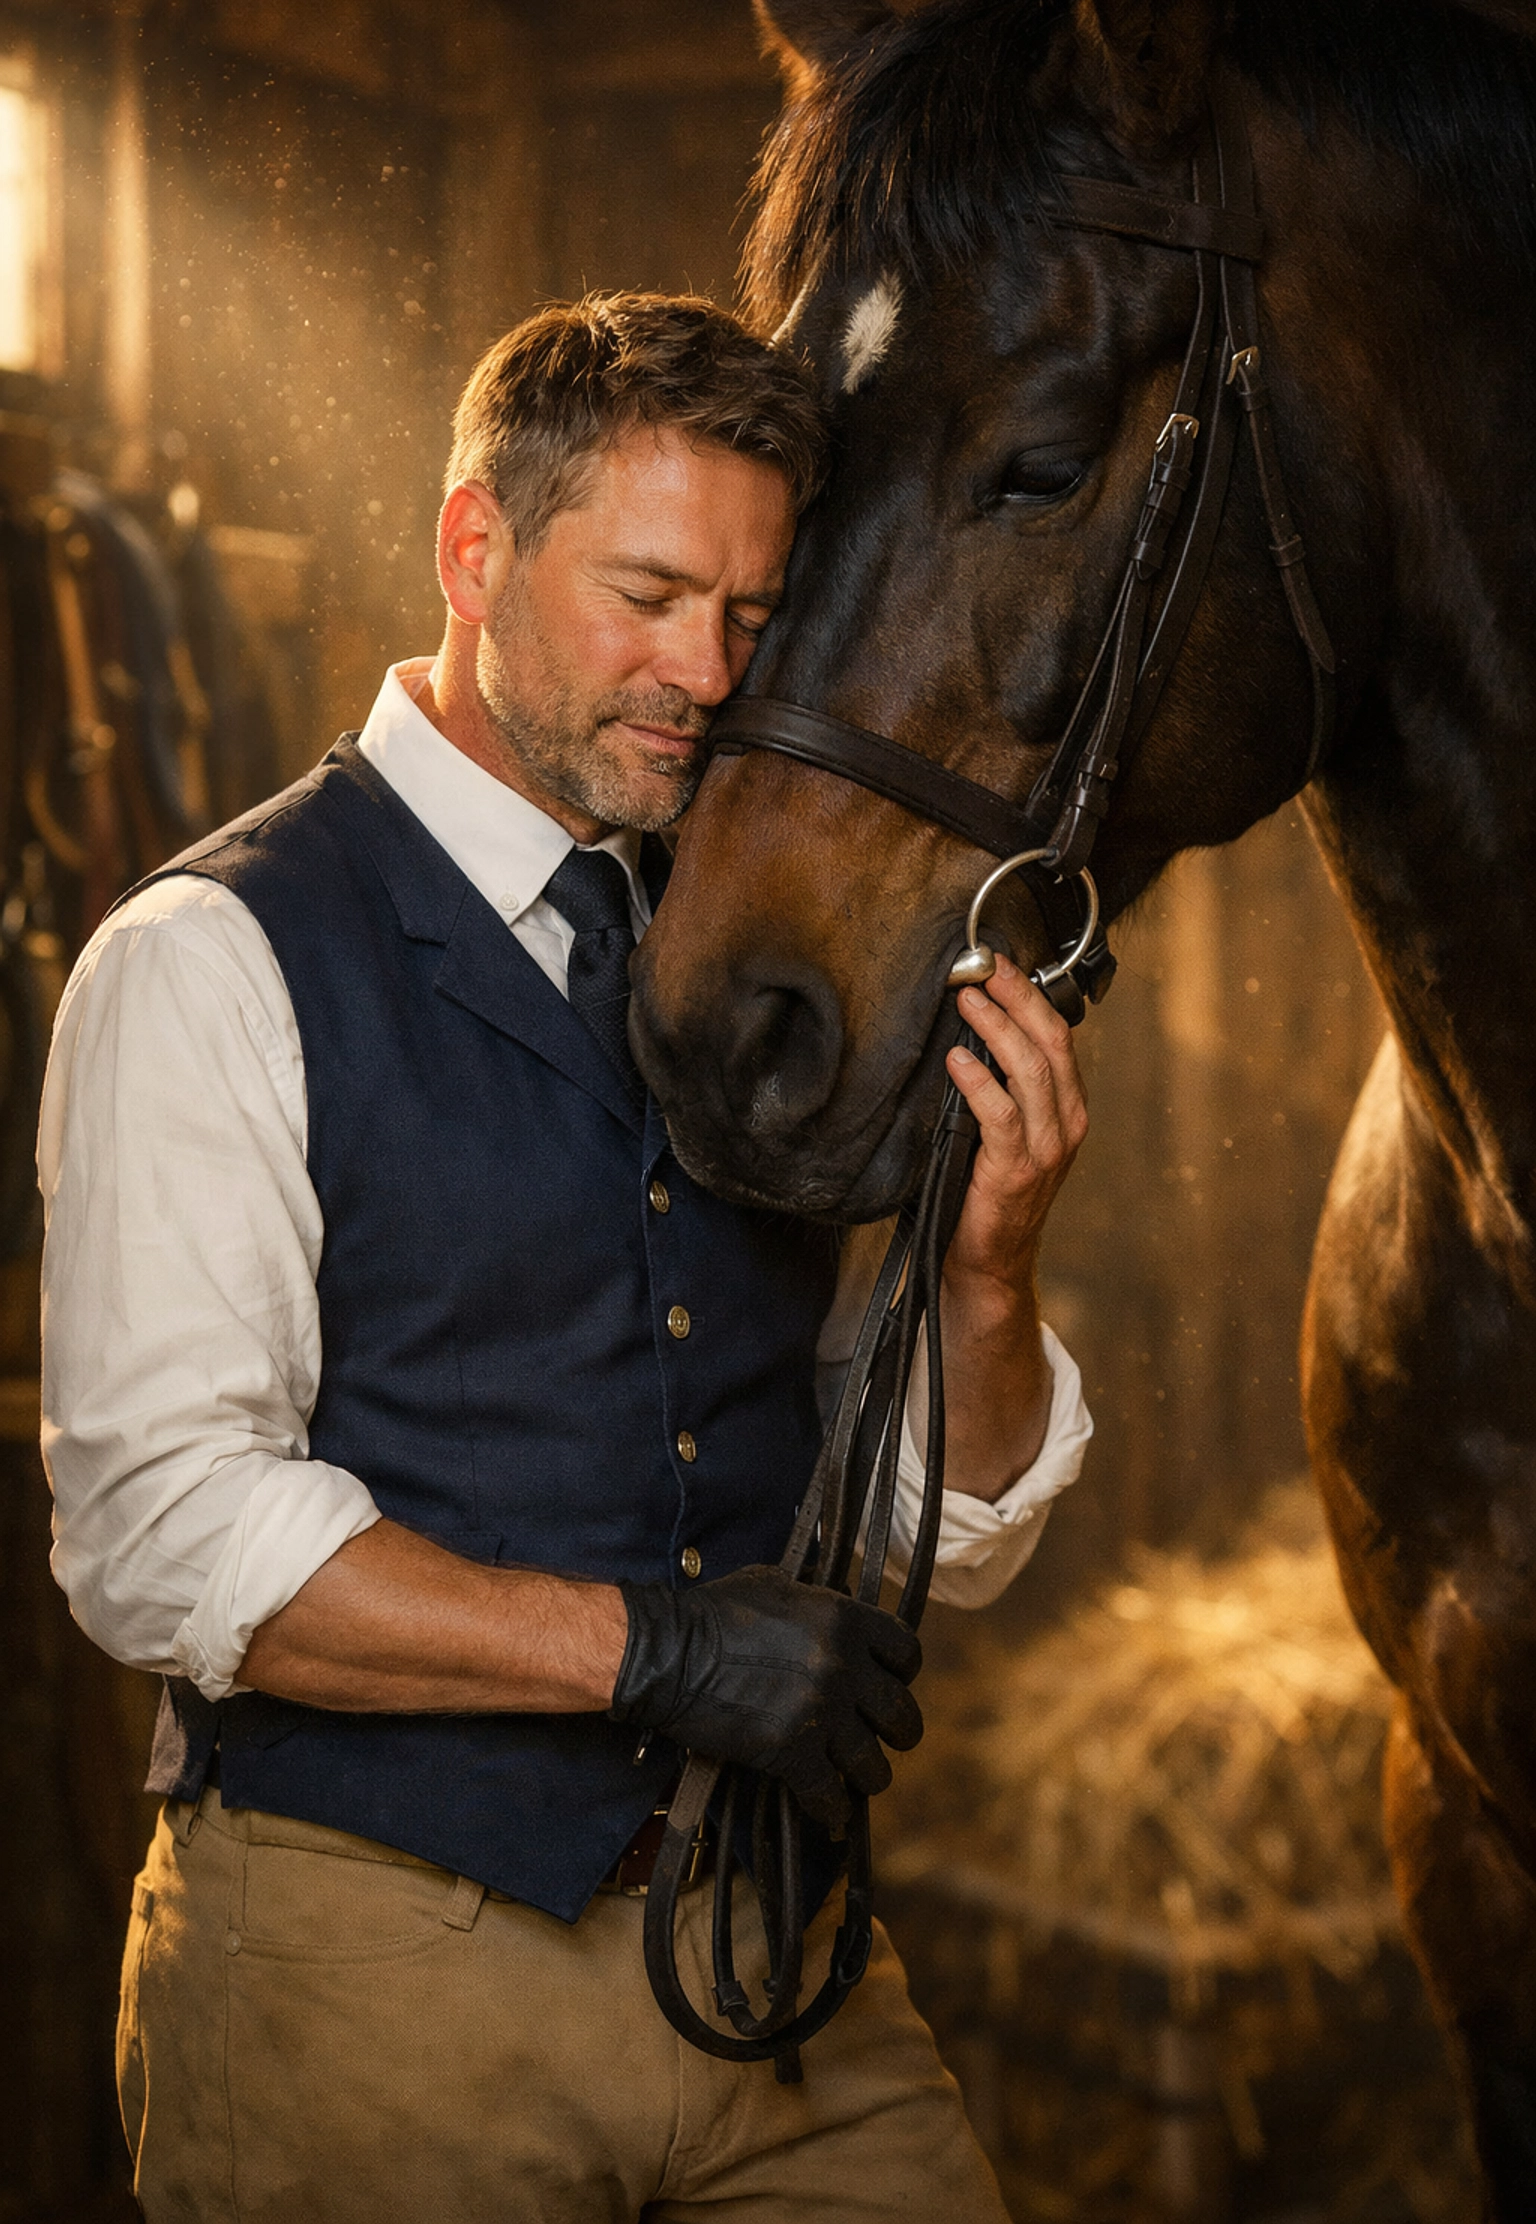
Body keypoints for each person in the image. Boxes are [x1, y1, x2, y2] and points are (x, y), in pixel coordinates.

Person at [40, 292, 1093, 2223]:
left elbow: (943, 1540)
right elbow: (165, 1538)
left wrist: (991, 1276)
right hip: (373, 1972)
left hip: (767, 1962)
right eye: (650, 594)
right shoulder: (212, 959)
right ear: (473, 549)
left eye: (751, 615)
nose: (705, 670)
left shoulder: (740, 952)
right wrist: (657, 1650)